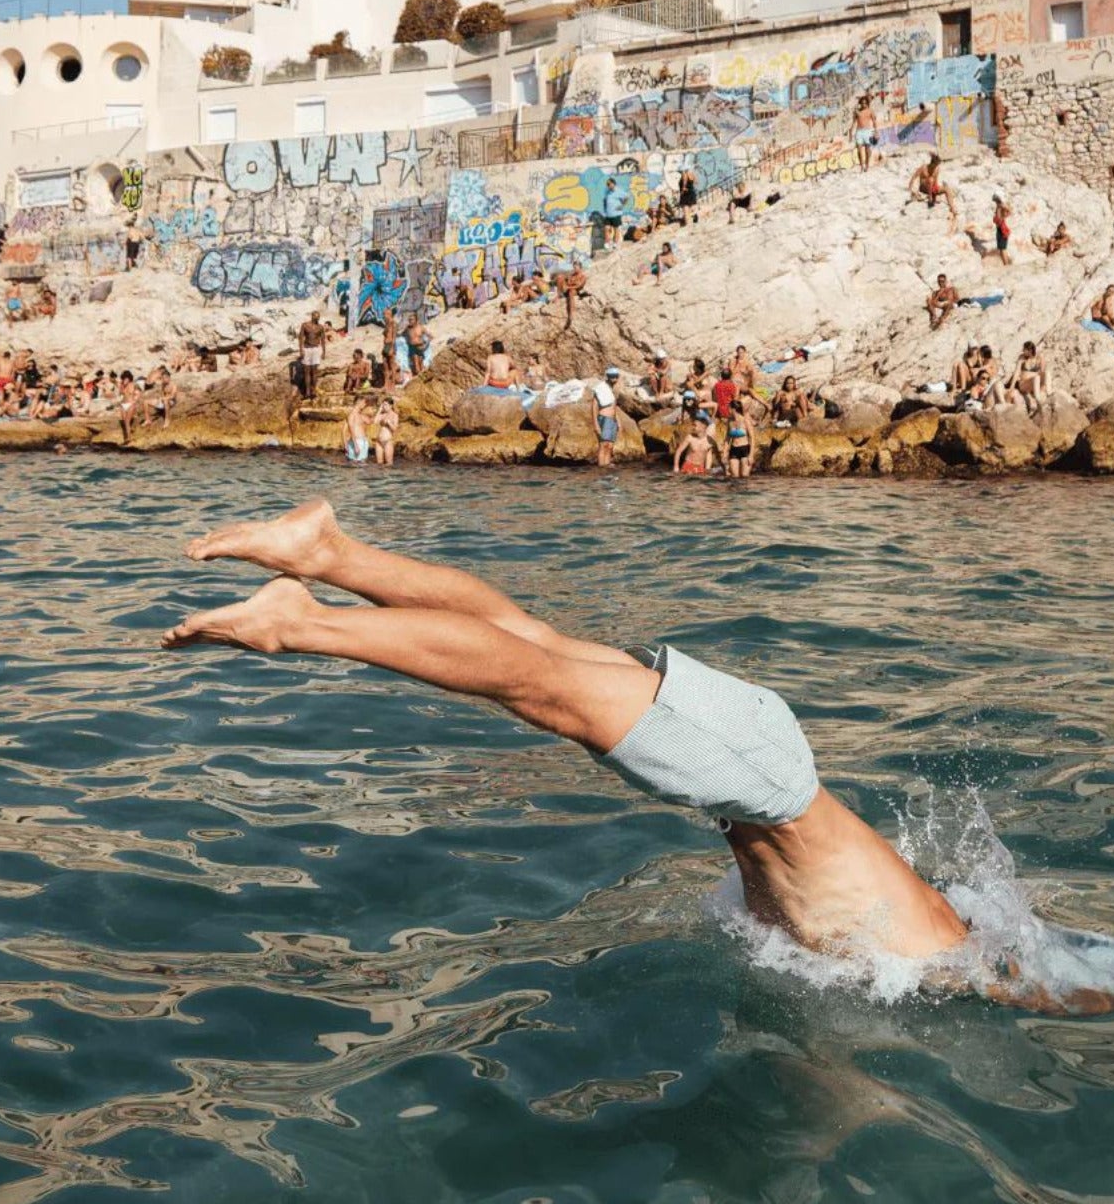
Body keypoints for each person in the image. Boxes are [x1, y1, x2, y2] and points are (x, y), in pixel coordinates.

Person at [159, 500, 1056, 978]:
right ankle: (304, 621)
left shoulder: (935, 926)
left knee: (535, 647)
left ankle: (327, 553)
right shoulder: (945, 957)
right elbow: (1067, 986)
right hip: (757, 772)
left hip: (756, 751)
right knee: (537, 684)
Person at [908, 153, 957, 228]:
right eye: (936, 164)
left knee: (946, 188)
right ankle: (930, 199)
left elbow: (936, 181)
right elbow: (914, 177)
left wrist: (937, 190)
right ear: (932, 162)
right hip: (923, 188)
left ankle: (952, 207)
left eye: (938, 164)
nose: (937, 166)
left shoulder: (937, 169)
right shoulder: (923, 167)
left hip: (932, 188)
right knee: (930, 180)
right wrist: (910, 188)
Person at [1006, 341, 1049, 417]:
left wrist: (1044, 386)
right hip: (1024, 384)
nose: (1022, 350)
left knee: (1044, 374)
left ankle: (1047, 394)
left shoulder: (1039, 357)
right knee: (1036, 377)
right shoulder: (1022, 358)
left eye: (1024, 349)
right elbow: (1016, 373)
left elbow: (1042, 372)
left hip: (1035, 384)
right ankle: (1038, 400)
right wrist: (1011, 386)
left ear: (1030, 351)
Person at [592, 366, 621, 467]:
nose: (614, 379)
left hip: (612, 420)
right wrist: (596, 424)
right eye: (612, 376)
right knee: (603, 444)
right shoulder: (601, 388)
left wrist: (618, 421)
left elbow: (614, 407)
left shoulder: (612, 390)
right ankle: (601, 467)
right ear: (608, 377)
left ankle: (607, 465)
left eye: (616, 376)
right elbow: (594, 407)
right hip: (604, 418)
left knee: (610, 446)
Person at [723, 398, 755, 479]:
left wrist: (751, 455)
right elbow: (727, 439)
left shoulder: (745, 420)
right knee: (734, 477)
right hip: (734, 449)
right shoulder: (730, 421)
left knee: (744, 477)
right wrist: (724, 453)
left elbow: (752, 438)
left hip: (745, 449)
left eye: (729, 408)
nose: (728, 410)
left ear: (733, 409)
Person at [299, 311, 328, 402]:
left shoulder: (320, 327)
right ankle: (307, 392)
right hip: (307, 349)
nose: (317, 318)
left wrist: (324, 352)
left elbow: (323, 340)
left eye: (318, 317)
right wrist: (301, 350)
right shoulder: (305, 325)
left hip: (316, 349)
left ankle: (313, 391)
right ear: (312, 316)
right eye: (316, 317)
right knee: (307, 371)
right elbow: (301, 338)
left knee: (314, 371)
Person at [850, 93, 878, 171]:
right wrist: (851, 131)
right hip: (859, 131)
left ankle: (867, 165)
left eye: (865, 103)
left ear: (867, 103)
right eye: (862, 103)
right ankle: (861, 165)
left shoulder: (870, 111)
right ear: (860, 103)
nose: (864, 104)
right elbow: (854, 122)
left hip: (868, 131)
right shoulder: (857, 112)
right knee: (859, 150)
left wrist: (876, 131)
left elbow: (874, 122)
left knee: (867, 149)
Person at [342, 396, 371, 465]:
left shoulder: (360, 415)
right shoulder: (352, 415)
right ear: (358, 402)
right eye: (364, 402)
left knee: (363, 464)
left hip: (363, 441)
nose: (365, 404)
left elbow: (370, 421)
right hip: (357, 442)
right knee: (354, 465)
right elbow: (349, 430)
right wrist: (355, 445)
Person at [374, 396, 400, 466]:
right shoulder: (382, 414)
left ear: (390, 406)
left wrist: (389, 423)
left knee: (389, 464)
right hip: (379, 442)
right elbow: (375, 421)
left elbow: (395, 429)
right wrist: (379, 410)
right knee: (379, 464)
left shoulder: (394, 415)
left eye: (385, 405)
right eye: (383, 405)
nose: (383, 406)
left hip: (387, 441)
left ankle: (388, 477)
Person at [600, 177, 626, 248]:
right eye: (607, 184)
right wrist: (605, 209)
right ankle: (607, 242)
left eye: (609, 184)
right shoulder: (607, 192)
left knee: (616, 229)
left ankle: (616, 242)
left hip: (616, 214)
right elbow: (605, 200)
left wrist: (621, 206)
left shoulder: (618, 191)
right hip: (608, 214)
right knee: (606, 228)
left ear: (614, 184)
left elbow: (626, 197)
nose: (608, 186)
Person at [991, 193, 1013, 266]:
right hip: (1000, 229)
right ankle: (1006, 263)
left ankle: (1006, 264)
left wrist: (1003, 207)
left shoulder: (1001, 207)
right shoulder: (999, 207)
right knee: (1002, 249)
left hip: (1001, 230)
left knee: (1002, 249)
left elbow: (1008, 211)